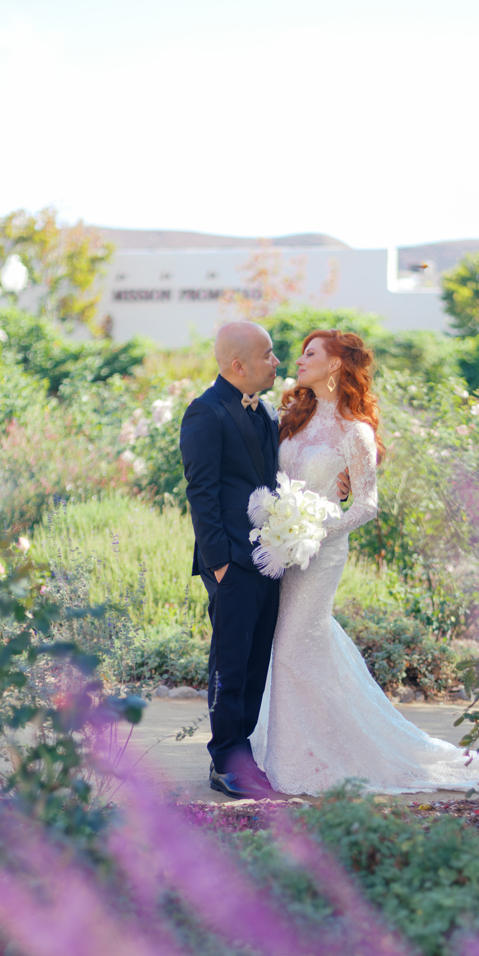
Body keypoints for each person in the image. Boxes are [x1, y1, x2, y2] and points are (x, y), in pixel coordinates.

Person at [250, 329, 479, 796]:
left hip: (322, 549)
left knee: (297, 644)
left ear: (336, 364)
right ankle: (298, 749)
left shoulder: (355, 431)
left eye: (310, 354)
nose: (298, 360)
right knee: (294, 645)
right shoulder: (291, 416)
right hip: (282, 547)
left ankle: (322, 756)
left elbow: (366, 505)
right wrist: (282, 526)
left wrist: (316, 529)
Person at [179, 322, 284, 798]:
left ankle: (245, 754)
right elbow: (200, 492)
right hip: (232, 563)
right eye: (268, 354)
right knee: (230, 662)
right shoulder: (205, 412)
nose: (276, 361)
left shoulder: (262, 410)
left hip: (268, 558)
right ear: (238, 365)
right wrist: (219, 563)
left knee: (256, 660)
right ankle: (225, 760)